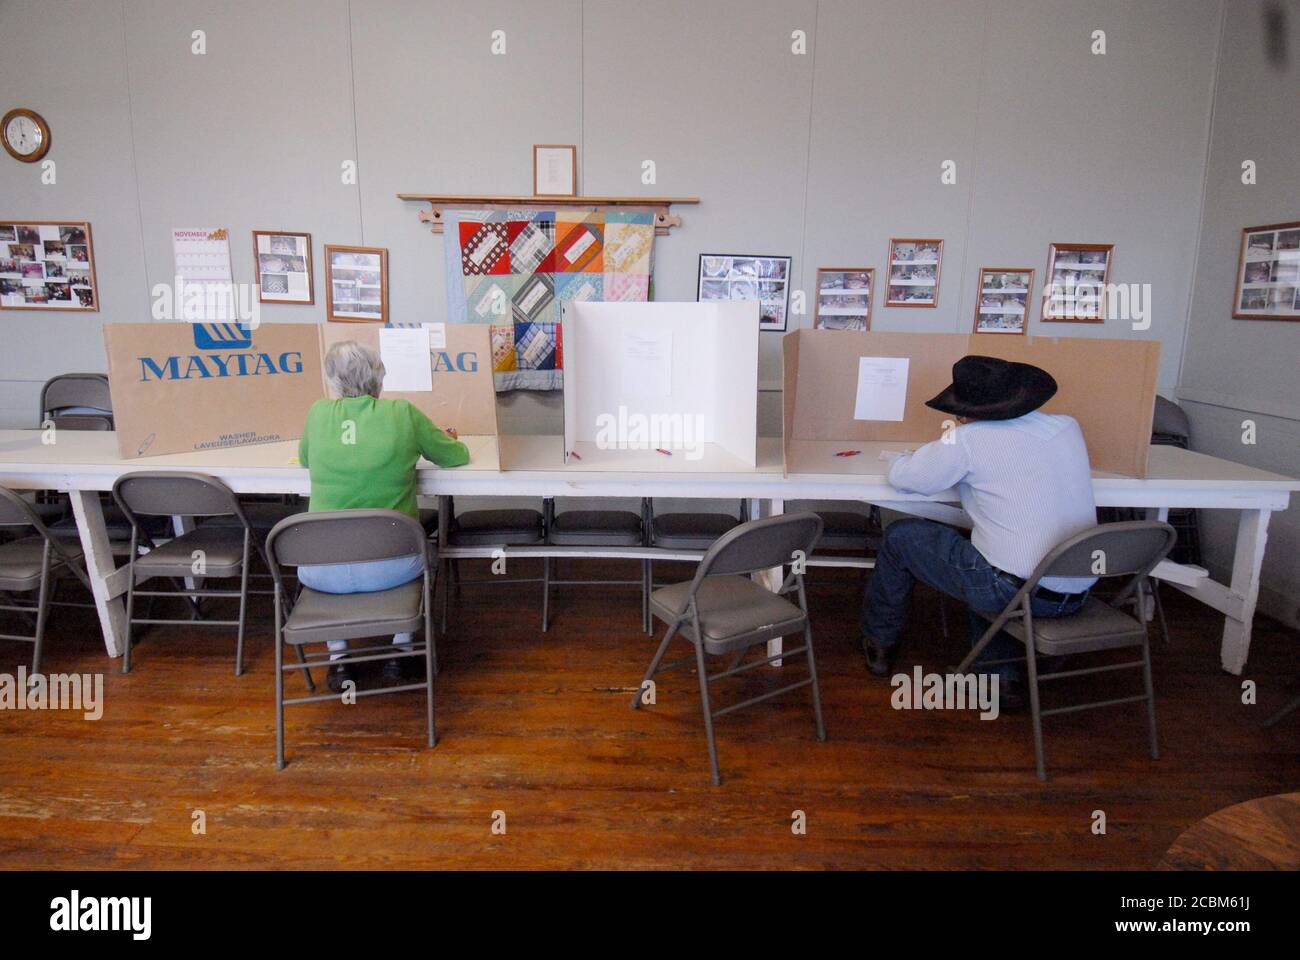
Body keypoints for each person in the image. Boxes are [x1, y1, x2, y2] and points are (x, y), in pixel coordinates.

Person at [860, 355, 1097, 709]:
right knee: (990, 551)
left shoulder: (969, 440)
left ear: (969, 412)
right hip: (1078, 587)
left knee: (901, 537)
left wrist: (903, 457)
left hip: (1014, 592)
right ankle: (997, 677)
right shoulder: (1066, 426)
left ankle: (879, 644)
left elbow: (907, 479)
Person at [298, 340, 469, 692]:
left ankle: (339, 660)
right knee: (430, 553)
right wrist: (451, 439)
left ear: (333, 381)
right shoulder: (402, 413)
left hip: (319, 570)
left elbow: (305, 459)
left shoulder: (317, 414)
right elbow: (455, 457)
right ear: (379, 377)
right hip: (391, 568)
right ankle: (402, 649)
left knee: (332, 549)